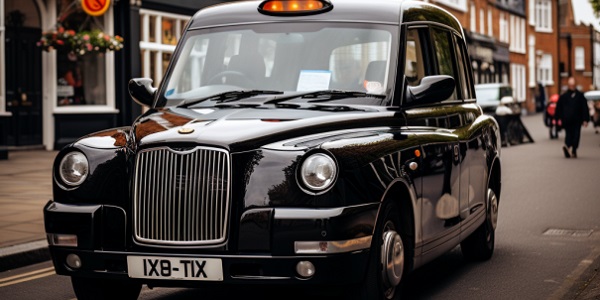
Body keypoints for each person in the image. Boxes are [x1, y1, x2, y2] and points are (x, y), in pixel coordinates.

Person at [555, 77, 590, 158]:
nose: (572, 86)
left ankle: (573, 149)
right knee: (568, 134)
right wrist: (558, 119)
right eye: (570, 85)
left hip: (577, 120)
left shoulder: (580, 96)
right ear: (568, 85)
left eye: (573, 85)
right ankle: (568, 147)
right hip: (567, 120)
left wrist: (585, 119)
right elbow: (559, 108)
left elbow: (584, 108)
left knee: (576, 135)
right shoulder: (564, 97)